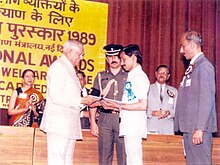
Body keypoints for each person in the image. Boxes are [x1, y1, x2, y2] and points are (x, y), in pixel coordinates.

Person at [40, 39, 97, 165]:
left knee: (67, 160)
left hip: (69, 124)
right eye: (80, 54)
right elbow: (56, 96)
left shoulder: (69, 68)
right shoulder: (58, 67)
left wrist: (87, 102)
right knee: (57, 161)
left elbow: (72, 97)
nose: (81, 58)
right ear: (70, 51)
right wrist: (81, 100)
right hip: (59, 124)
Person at [100, 44, 150, 165]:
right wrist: (114, 104)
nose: (122, 63)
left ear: (133, 57)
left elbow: (143, 105)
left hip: (134, 125)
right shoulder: (132, 75)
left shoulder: (140, 77)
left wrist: (119, 106)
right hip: (128, 124)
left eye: (124, 59)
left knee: (134, 160)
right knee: (131, 159)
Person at [174, 30, 217, 165]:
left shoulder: (204, 66)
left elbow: (206, 100)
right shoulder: (193, 67)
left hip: (197, 130)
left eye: (183, 46)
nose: (181, 50)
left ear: (192, 44)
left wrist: (200, 129)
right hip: (189, 129)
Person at [89, 44, 127, 165]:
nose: (113, 59)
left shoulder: (129, 76)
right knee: (104, 157)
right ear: (106, 59)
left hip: (123, 118)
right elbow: (93, 100)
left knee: (124, 157)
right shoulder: (100, 76)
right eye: (110, 57)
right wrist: (93, 122)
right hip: (105, 119)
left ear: (121, 58)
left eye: (116, 56)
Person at [147, 65, 178, 135]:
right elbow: (142, 107)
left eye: (164, 73)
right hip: (151, 126)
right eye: (160, 72)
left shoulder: (174, 91)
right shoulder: (147, 89)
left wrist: (169, 113)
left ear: (168, 76)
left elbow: (177, 110)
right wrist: (152, 113)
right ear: (156, 74)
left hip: (168, 128)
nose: (161, 75)